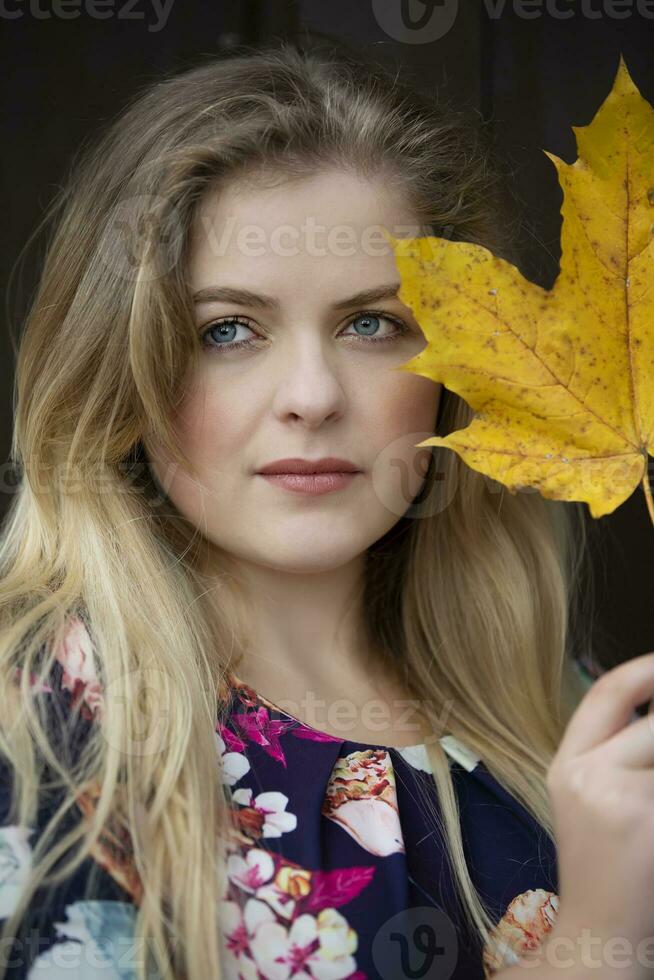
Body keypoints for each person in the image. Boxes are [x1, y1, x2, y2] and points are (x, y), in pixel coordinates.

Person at [0, 34, 645, 980]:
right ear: (124, 367)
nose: (312, 395)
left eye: (372, 324)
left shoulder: (557, 699)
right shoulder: (41, 732)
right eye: (228, 330)